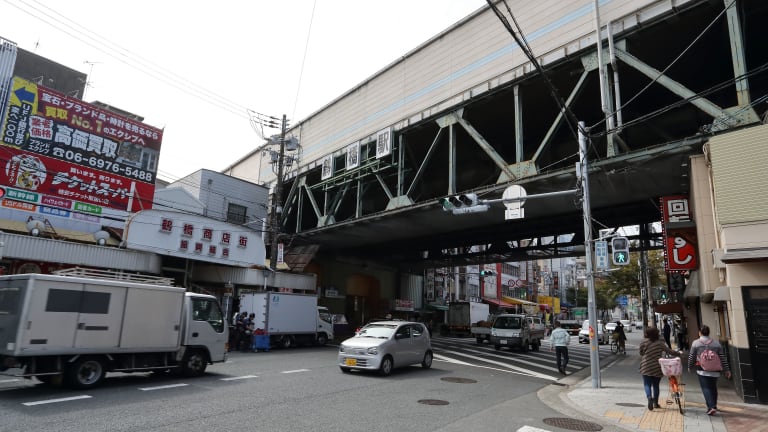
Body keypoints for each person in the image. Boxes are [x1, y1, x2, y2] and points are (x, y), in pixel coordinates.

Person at [687, 325, 731, 416]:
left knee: (706, 388)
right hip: (715, 370)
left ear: (700, 333)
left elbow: (692, 356)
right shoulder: (716, 343)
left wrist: (690, 366)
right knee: (713, 387)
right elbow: (722, 358)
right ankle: (714, 405)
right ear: (708, 333)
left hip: (702, 370)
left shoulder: (696, 343)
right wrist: (727, 370)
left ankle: (711, 407)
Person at [639, 326, 681, 411]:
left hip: (646, 366)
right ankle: (655, 403)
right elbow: (669, 351)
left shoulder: (643, 342)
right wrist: (678, 353)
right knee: (656, 385)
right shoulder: (660, 343)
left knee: (647, 384)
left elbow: (641, 353)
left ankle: (649, 397)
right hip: (657, 367)